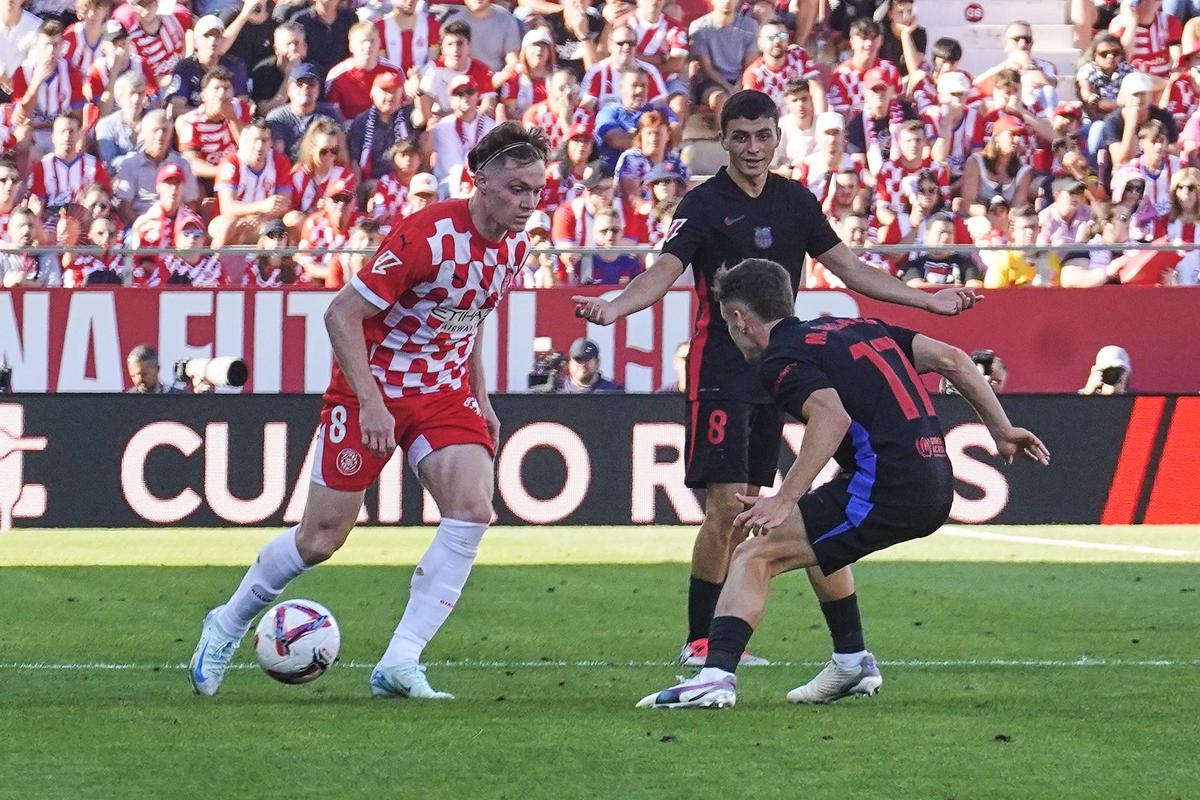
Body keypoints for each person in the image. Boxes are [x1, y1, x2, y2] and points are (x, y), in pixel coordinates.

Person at [572, 90, 980, 673]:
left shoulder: (795, 200)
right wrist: (615, 308)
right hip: (721, 371)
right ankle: (700, 642)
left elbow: (851, 268)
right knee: (727, 508)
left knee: (799, 510)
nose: (753, 148)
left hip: (783, 367)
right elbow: (664, 270)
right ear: (724, 140)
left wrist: (927, 301)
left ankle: (849, 652)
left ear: (778, 138)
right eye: (740, 137)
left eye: (763, 136)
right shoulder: (703, 204)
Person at [188, 121, 550, 700]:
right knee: (321, 538)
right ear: (479, 182)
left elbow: (471, 314)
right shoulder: (425, 236)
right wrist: (372, 403)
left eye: (537, 190)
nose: (529, 203)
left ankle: (400, 662)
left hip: (442, 391)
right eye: (517, 189)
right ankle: (226, 622)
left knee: (474, 508)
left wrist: (481, 396)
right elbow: (340, 314)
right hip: (372, 387)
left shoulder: (514, 245)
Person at [636, 257, 1049, 710]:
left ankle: (714, 678)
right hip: (932, 473)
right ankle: (851, 660)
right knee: (821, 541)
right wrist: (1002, 429)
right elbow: (953, 358)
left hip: (889, 485)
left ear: (738, 318)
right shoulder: (853, 327)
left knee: (755, 553)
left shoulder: (780, 358)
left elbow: (831, 417)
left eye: (728, 323)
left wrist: (783, 499)